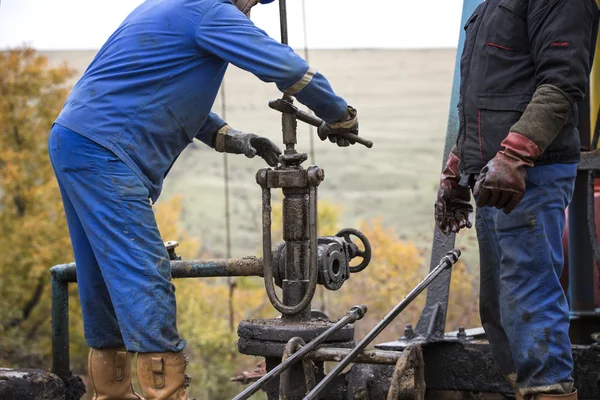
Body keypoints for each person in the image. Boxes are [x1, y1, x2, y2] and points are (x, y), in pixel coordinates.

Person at [48, 0, 359, 398]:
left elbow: (164, 92)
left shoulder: (169, 6)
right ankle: (167, 393)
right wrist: (338, 114)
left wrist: (235, 138)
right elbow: (287, 68)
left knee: (102, 277)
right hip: (105, 151)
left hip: (75, 139)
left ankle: (110, 392)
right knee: (145, 273)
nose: (251, 9)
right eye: (252, 1)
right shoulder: (211, 11)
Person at [435, 0, 599, 399]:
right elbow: (482, 99)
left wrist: (514, 155)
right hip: (494, 173)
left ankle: (549, 390)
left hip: (529, 173)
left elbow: (562, 83)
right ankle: (525, 389)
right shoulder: (490, 7)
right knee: (500, 304)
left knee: (528, 292)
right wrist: (458, 167)